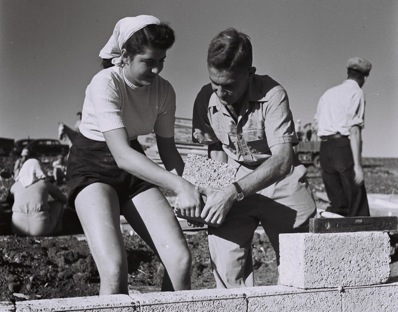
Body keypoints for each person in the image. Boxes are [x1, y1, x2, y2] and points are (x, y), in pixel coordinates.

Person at [66, 15, 202, 295]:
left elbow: (168, 150)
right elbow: (121, 156)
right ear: (125, 56)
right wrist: (178, 186)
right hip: (93, 167)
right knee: (115, 269)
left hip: (132, 162)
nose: (156, 70)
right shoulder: (105, 83)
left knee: (179, 260)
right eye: (149, 62)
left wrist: (193, 189)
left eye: (162, 61)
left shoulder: (164, 91)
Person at [190, 28, 316, 288]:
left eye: (229, 86)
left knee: (306, 262)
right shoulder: (204, 99)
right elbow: (214, 151)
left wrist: (232, 192)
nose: (221, 93)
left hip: (281, 179)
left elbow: (282, 160)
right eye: (215, 84)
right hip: (234, 177)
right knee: (226, 267)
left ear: (250, 73)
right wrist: (208, 194)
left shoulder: (273, 94)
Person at [315, 57, 372, 217]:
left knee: (339, 203)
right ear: (364, 77)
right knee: (357, 202)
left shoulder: (328, 94)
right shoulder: (356, 93)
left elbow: (316, 123)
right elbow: (354, 130)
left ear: (348, 73)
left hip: (325, 148)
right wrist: (358, 166)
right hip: (343, 146)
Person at [10, 158, 66, 236]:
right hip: (40, 229)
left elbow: (9, 200)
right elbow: (63, 199)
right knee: (58, 204)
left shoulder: (15, 186)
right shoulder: (44, 183)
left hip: (17, 229)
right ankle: (58, 230)